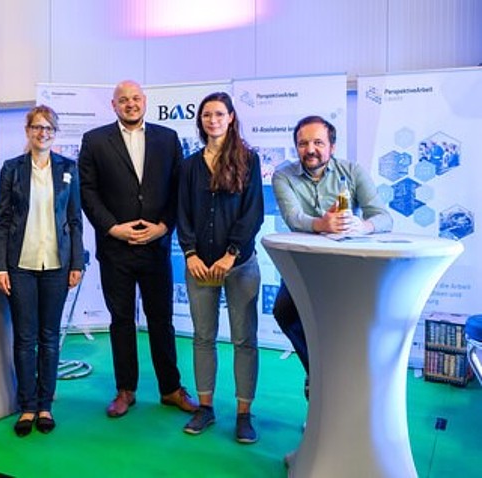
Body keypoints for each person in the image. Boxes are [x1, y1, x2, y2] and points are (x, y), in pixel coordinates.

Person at [78, 80, 197, 417]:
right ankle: (125, 390)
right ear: (113, 105)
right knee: (121, 321)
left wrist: (163, 227)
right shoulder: (95, 140)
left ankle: (171, 389)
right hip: (116, 248)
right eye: (123, 100)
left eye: (135, 99)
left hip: (156, 246)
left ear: (145, 102)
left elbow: (178, 190)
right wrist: (114, 228)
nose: (130, 104)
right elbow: (88, 192)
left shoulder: (168, 138)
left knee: (162, 320)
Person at [271, 115, 393, 394]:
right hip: (301, 265)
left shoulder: (353, 172)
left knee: (342, 326)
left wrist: (363, 226)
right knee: (284, 311)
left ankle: (338, 380)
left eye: (318, 142)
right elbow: (293, 217)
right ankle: (318, 370)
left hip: (344, 268)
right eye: (303, 143)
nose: (310, 149)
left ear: (332, 146)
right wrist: (321, 224)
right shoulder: (283, 175)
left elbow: (384, 217)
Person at [0, 105, 85, 437]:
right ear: (28, 130)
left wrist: (78, 263)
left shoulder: (69, 169)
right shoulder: (11, 169)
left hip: (57, 266)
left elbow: (75, 221)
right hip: (21, 266)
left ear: (55, 133)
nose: (42, 132)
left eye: (48, 128)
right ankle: (27, 406)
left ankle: (45, 404)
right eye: (37, 127)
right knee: (24, 338)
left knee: (49, 338)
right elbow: (2, 221)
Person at [177, 92, 264, 442]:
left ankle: (244, 414)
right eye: (206, 115)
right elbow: (181, 213)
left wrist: (231, 253)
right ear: (200, 121)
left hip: (240, 265)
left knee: (245, 340)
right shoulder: (188, 166)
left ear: (231, 118)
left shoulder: (249, 160)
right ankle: (205, 408)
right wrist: (190, 254)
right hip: (199, 267)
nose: (212, 120)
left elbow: (253, 211)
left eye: (218, 114)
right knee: (203, 338)